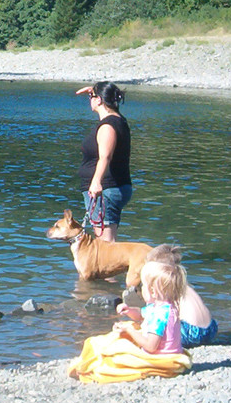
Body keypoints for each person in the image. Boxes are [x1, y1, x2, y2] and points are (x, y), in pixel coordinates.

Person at [74, 82, 132, 242]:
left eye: (91, 97)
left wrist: (96, 182)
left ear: (99, 100)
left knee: (105, 243)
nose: (89, 100)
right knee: (105, 243)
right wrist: (94, 90)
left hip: (106, 188)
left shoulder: (108, 126)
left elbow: (105, 156)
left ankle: (124, 266)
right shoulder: (119, 120)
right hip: (112, 186)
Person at [143, 245, 217, 347]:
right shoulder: (183, 284)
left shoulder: (164, 289)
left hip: (191, 333)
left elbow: (153, 314)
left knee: (150, 328)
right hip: (210, 329)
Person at [114, 260, 187, 355]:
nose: (141, 288)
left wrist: (129, 330)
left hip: (160, 359)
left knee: (110, 348)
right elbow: (140, 314)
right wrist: (129, 310)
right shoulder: (161, 307)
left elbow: (151, 346)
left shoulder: (160, 315)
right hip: (170, 355)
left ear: (152, 291)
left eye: (143, 285)